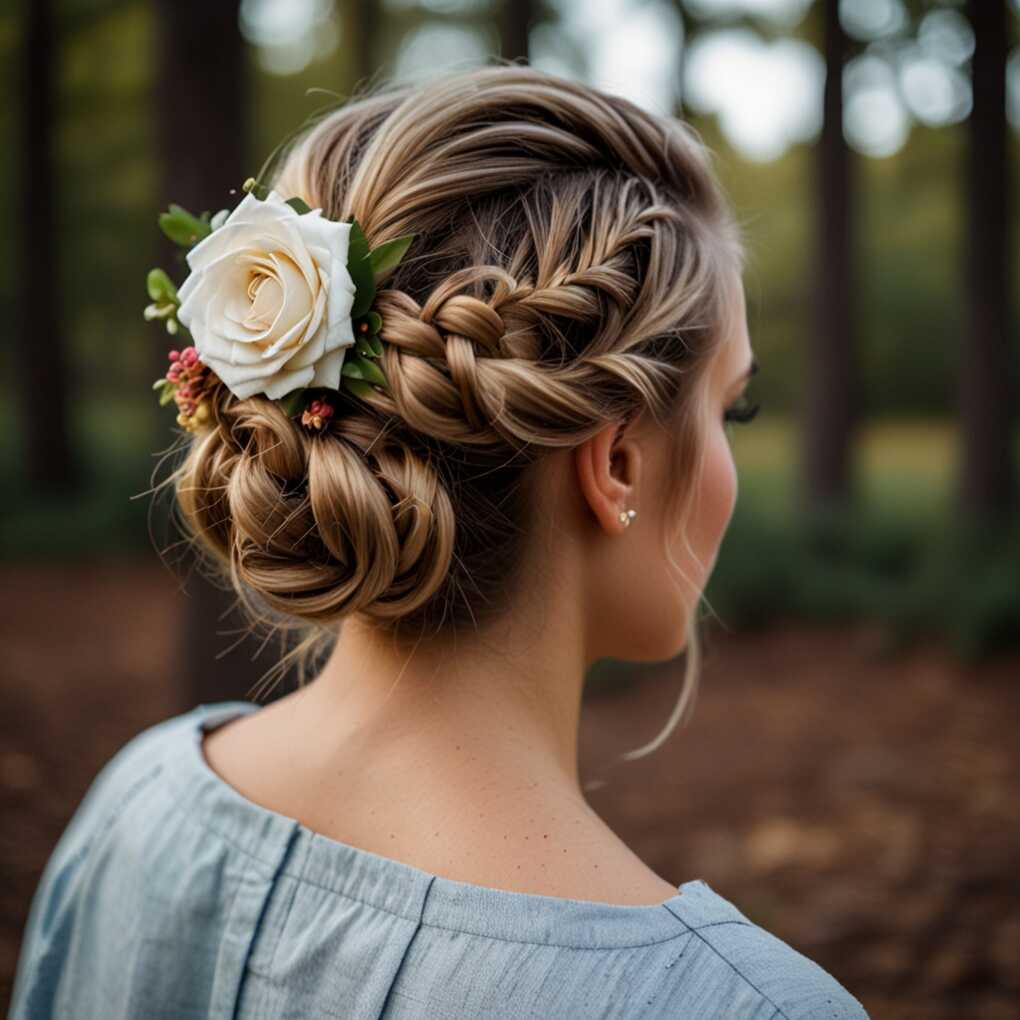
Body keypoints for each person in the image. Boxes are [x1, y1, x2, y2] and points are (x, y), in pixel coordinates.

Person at [9, 63, 869, 1019]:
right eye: (731, 408)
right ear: (618, 460)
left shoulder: (138, 804)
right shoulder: (737, 1008)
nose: (731, 457)